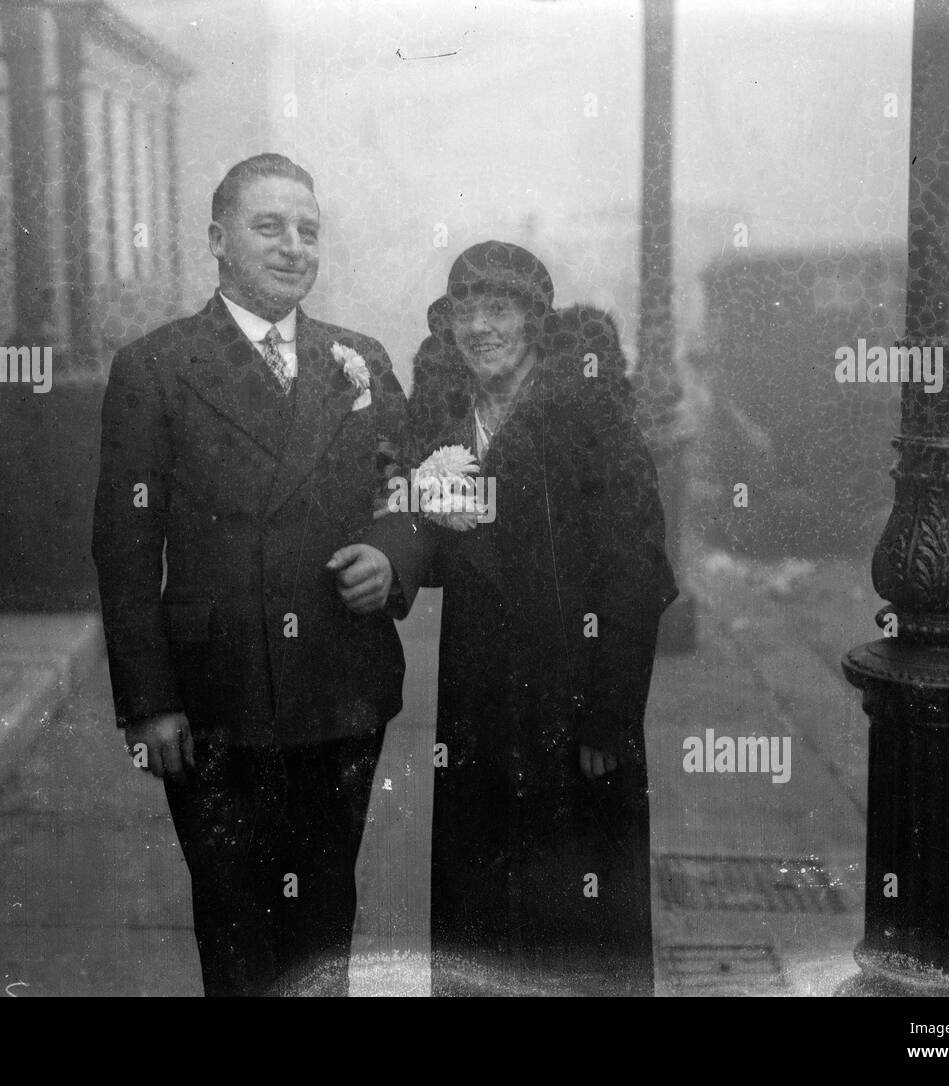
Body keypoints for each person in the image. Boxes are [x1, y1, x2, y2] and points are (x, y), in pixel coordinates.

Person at [91, 153, 414, 996]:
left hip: (338, 689)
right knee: (236, 930)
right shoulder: (156, 368)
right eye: (270, 226)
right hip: (217, 700)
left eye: (308, 230)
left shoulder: (360, 359)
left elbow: (414, 494)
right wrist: (150, 700)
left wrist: (394, 557)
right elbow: (124, 549)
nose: (294, 246)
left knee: (323, 928)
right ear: (218, 241)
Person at [368, 241, 679, 995]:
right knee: (482, 908)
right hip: (478, 697)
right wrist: (408, 503)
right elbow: (403, 509)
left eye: (499, 309)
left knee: (575, 912)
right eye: (465, 313)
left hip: (574, 701)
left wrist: (609, 718)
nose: (480, 328)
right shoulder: (446, 415)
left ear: (536, 323)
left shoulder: (588, 413)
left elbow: (638, 573)